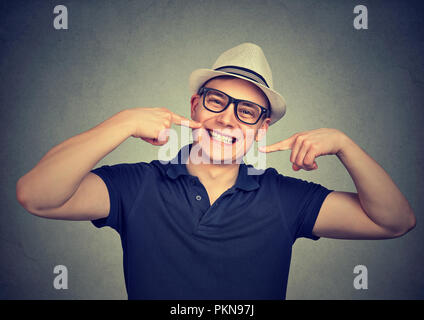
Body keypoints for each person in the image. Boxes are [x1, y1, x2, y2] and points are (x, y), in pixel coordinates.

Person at [16, 43, 416, 299]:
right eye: (216, 102)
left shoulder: (285, 198)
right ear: (194, 107)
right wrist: (120, 123)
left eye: (246, 111)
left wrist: (346, 146)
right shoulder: (136, 186)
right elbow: (36, 195)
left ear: (261, 128)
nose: (227, 119)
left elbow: (395, 222)